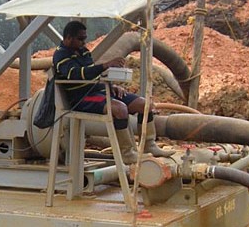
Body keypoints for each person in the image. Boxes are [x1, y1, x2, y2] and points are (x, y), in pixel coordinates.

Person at [53, 21, 174, 164]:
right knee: (119, 109)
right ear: (68, 38)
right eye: (80, 39)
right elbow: (76, 75)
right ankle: (127, 153)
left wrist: (110, 86)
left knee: (144, 105)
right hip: (81, 99)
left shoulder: (84, 52)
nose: (83, 42)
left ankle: (149, 145)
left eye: (84, 38)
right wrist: (105, 65)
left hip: (98, 91)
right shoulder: (60, 56)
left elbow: (93, 75)